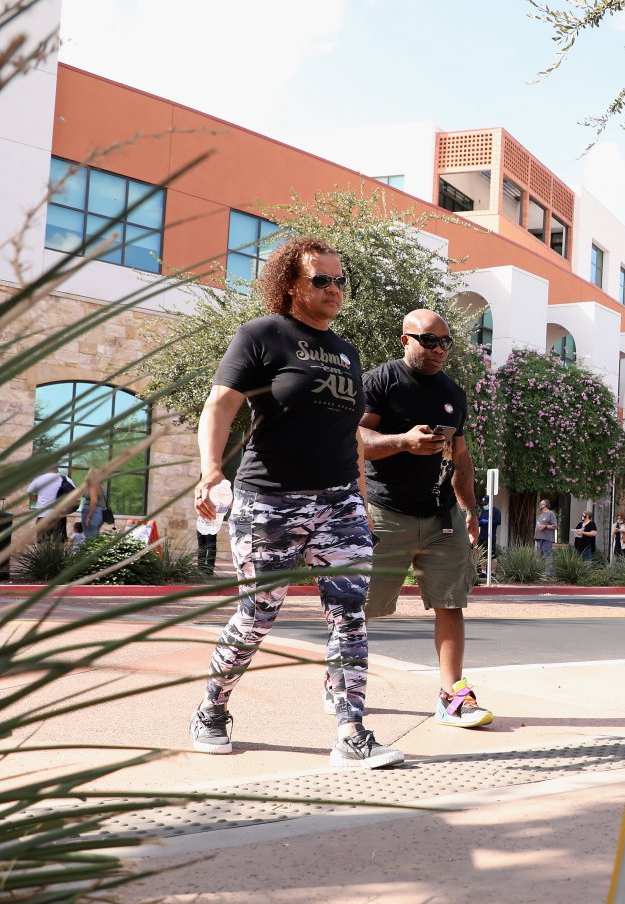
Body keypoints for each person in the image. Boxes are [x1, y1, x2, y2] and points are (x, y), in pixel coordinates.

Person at [189, 237, 401, 769]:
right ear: (291, 285)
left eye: (340, 281)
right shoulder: (263, 336)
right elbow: (220, 405)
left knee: (349, 614)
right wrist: (211, 469)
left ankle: (351, 731)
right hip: (270, 500)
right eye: (321, 280)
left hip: (339, 502)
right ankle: (212, 707)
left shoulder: (347, 352)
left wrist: (360, 496)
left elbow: (346, 433)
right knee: (259, 611)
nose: (334, 290)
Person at [358, 307, 493, 729]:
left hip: (442, 517)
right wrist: (402, 441)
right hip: (385, 512)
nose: (439, 350)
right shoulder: (382, 380)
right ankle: (339, 680)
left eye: (445, 342)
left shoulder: (453, 393)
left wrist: (470, 509)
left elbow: (462, 458)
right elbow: (356, 437)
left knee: (451, 604)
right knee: (361, 608)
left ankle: (453, 698)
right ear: (406, 340)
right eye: (429, 341)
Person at [195, 479, 230, 573]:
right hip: (202, 520)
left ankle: (209, 568)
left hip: (212, 522)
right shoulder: (205, 489)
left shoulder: (217, 493)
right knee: (202, 545)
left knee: (211, 545)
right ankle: (201, 568)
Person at [27, 469, 74, 541]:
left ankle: (42, 553)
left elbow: (31, 494)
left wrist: (39, 498)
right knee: (60, 542)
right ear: (57, 468)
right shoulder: (65, 479)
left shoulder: (38, 479)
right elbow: (75, 495)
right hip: (60, 516)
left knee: (42, 541)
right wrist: (67, 510)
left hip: (43, 515)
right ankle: (58, 553)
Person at [73, 475, 107, 549]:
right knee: (93, 537)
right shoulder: (100, 487)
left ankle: (90, 558)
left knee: (90, 538)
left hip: (92, 512)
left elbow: (94, 501)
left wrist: (88, 516)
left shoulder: (93, 486)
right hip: (99, 512)